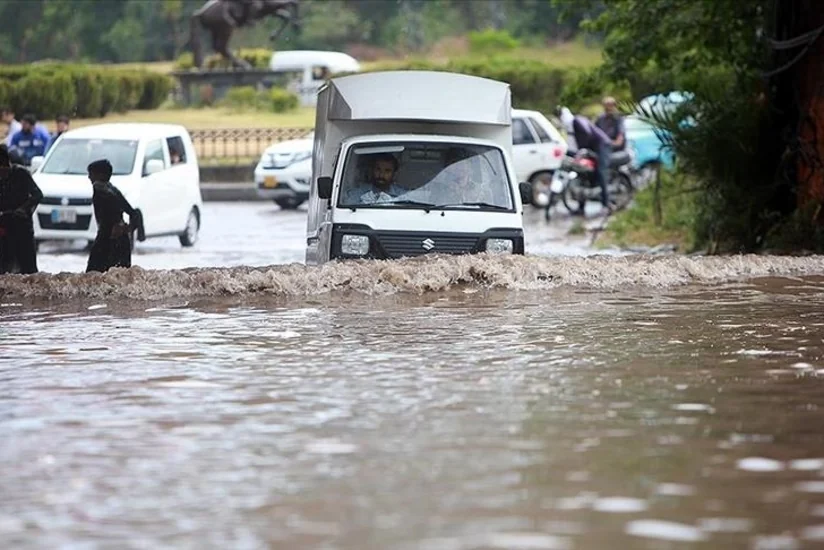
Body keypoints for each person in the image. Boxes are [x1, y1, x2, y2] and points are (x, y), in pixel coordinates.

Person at [86, 159, 145, 273]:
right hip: (120, 240)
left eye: (91, 174)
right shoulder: (112, 189)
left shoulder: (100, 191)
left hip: (108, 240)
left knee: (94, 275)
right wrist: (128, 228)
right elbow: (132, 212)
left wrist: (118, 227)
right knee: (120, 277)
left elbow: (110, 214)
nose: (89, 177)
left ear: (100, 175)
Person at [560, 107, 613, 216]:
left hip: (601, 145)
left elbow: (586, 134)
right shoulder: (570, 127)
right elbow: (572, 144)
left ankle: (606, 205)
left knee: (601, 172)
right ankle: (581, 207)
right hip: (590, 148)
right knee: (583, 174)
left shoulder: (577, 121)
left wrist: (581, 151)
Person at [0, 144, 43, 274]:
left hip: (22, 227)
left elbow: (37, 195)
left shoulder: (21, 173)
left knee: (28, 269)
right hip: (3, 227)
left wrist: (23, 209)